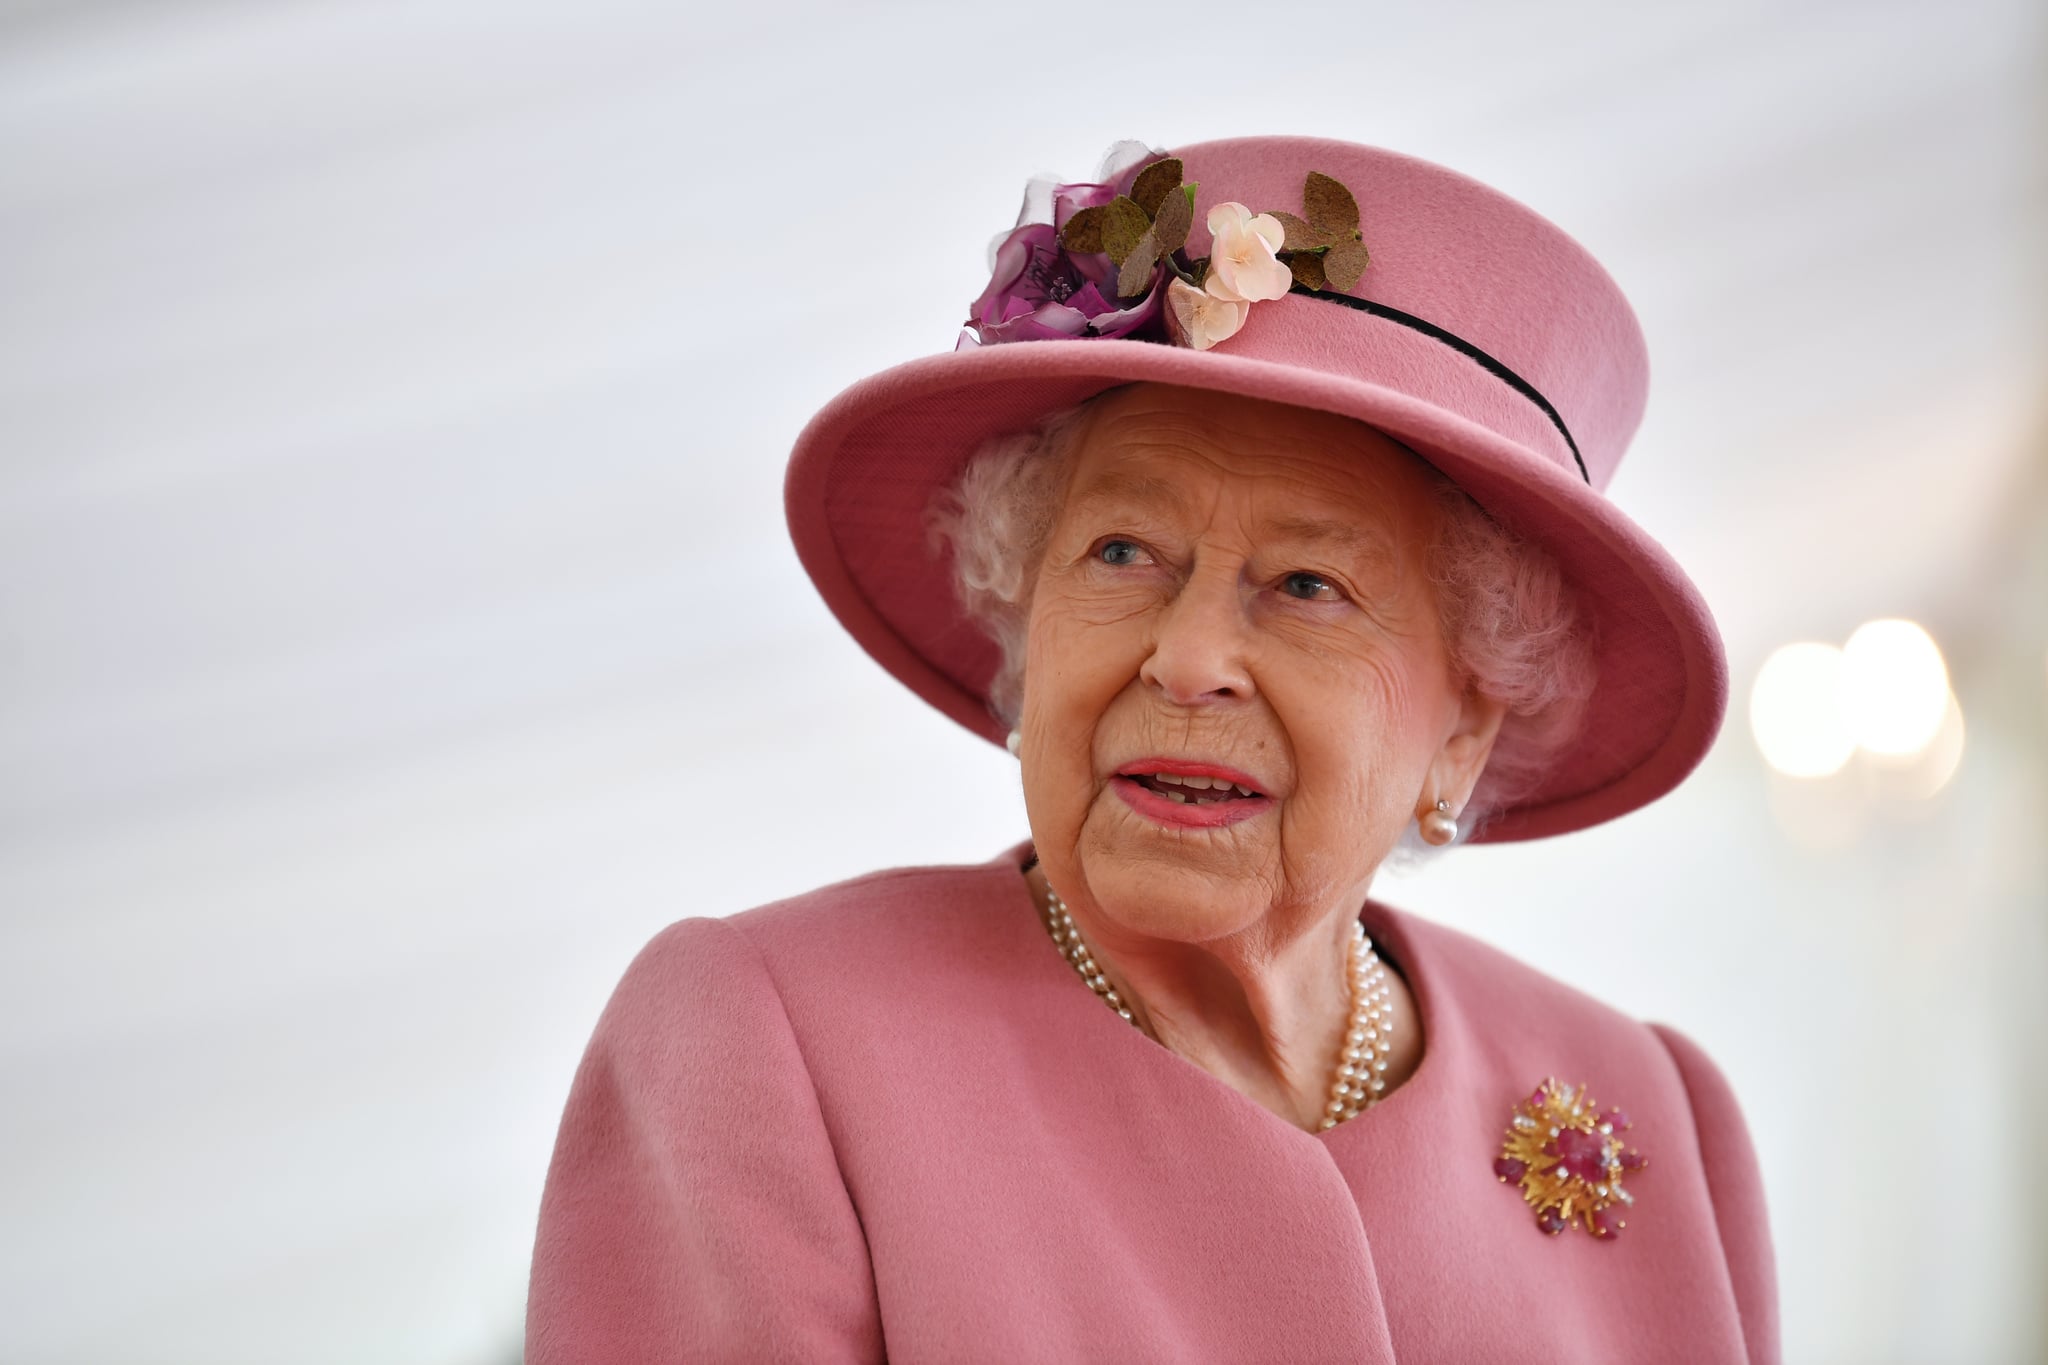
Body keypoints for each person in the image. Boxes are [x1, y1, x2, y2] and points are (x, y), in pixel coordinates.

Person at [524, 135, 1779, 1363]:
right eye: (1120, 554)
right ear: (1023, 622)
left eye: (1305, 583)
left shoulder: (1649, 1111)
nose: (1185, 659)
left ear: (1462, 725)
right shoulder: (772, 1042)